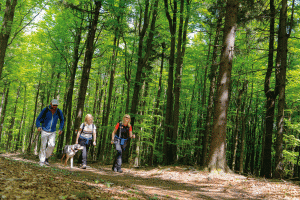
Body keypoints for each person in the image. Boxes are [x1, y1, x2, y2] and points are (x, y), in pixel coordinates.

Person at [36, 99, 64, 166]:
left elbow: (62, 120)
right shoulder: (45, 110)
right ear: (51, 104)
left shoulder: (59, 111)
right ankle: (42, 161)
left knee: (52, 145)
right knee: (43, 146)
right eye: (54, 105)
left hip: (53, 131)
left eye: (56, 105)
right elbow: (38, 119)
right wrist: (38, 126)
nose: (55, 106)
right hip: (44, 130)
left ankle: (46, 157)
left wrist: (60, 128)